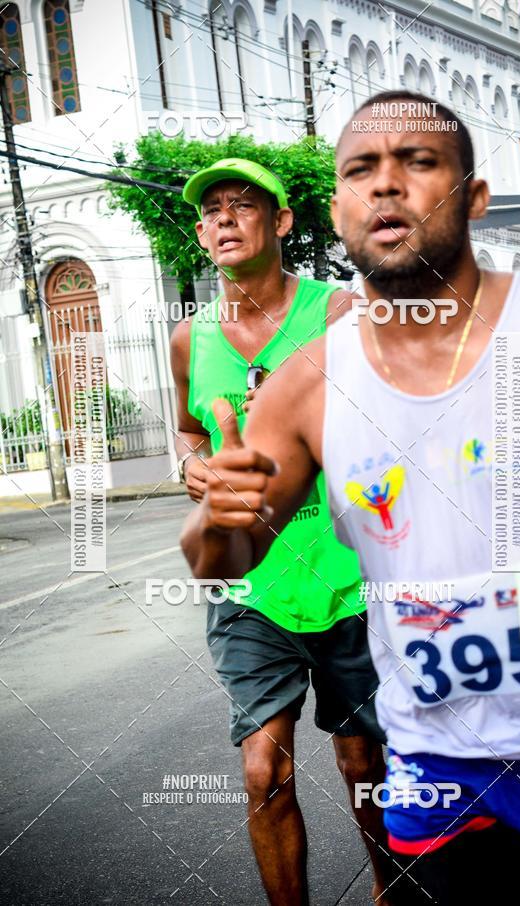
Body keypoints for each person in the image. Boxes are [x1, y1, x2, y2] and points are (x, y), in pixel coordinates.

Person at [180, 97, 520, 904]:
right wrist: (220, 519)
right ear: (338, 208)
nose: (386, 187)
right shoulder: (307, 382)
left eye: (418, 162)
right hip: (429, 764)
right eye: (361, 171)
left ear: (473, 195)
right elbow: (220, 563)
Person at [170, 158, 394, 906]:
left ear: (283, 223)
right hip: (247, 582)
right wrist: (196, 468)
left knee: (365, 764)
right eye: (213, 211)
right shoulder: (188, 338)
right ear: (202, 235)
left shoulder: (338, 313)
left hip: (345, 574)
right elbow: (184, 432)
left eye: (244, 204)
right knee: (264, 770)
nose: (226, 218)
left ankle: (389, 885)